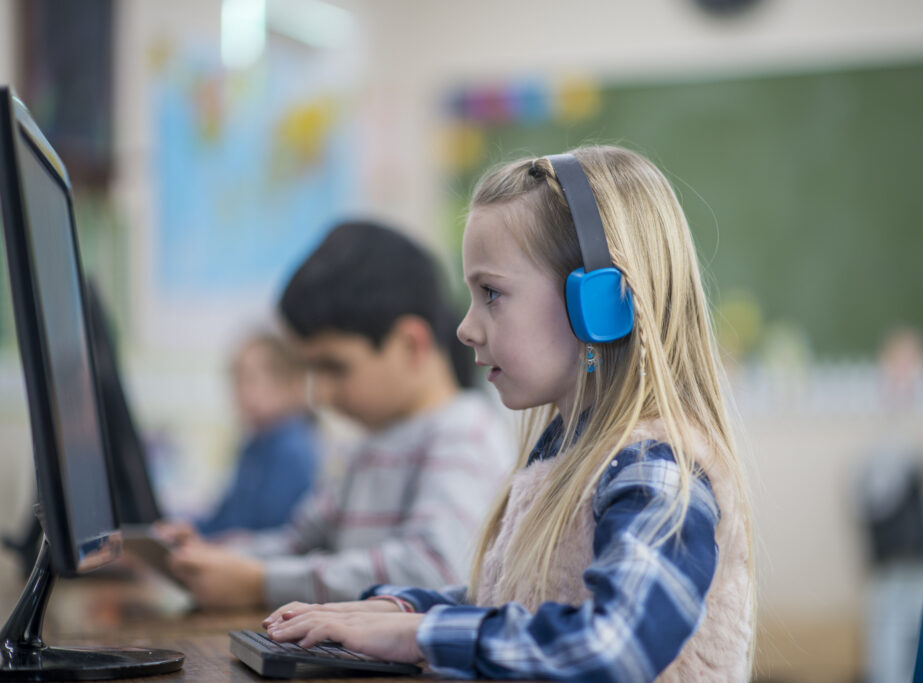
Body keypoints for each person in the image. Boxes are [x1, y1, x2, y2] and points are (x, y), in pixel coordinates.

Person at [261, 147, 756, 681]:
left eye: (491, 293)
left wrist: (417, 636)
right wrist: (397, 610)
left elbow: (614, 646)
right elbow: (515, 600)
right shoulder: (564, 453)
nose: (465, 328)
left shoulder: (658, 468)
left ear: (599, 303)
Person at [165, 220, 515, 610]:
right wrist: (211, 554)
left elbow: (434, 570)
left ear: (409, 345)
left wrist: (262, 585)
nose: (321, 392)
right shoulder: (371, 444)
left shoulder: (464, 432)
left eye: (334, 367)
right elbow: (296, 544)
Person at [195, 331, 317, 537]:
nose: (239, 390)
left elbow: (274, 532)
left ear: (289, 382)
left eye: (250, 379)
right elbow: (224, 518)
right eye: (236, 379)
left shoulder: (291, 448)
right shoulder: (255, 444)